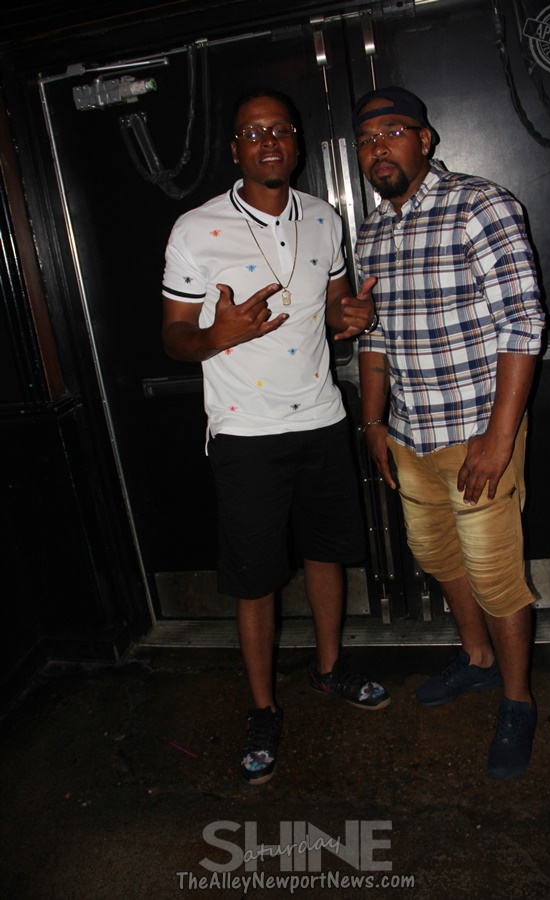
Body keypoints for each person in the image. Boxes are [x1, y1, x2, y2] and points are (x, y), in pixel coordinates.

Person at [161, 88, 390, 786]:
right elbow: (173, 338)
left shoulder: (325, 218)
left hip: (321, 417)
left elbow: (336, 306)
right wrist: (215, 334)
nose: (267, 141)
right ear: (235, 149)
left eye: (280, 129)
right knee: (255, 579)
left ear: (297, 143)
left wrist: (349, 319)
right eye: (252, 131)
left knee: (326, 554)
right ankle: (262, 708)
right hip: (246, 431)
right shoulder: (195, 229)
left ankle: (329, 668)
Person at [353, 86, 545, 780]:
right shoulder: (371, 232)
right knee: (434, 555)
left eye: (393, 132)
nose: (379, 148)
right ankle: (478, 658)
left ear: (425, 139)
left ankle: (518, 701)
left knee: (496, 576)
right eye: (367, 139)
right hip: (409, 435)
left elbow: (523, 324)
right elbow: (372, 337)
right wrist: (374, 421)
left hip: (476, 433)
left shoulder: (480, 205)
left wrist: (499, 438)